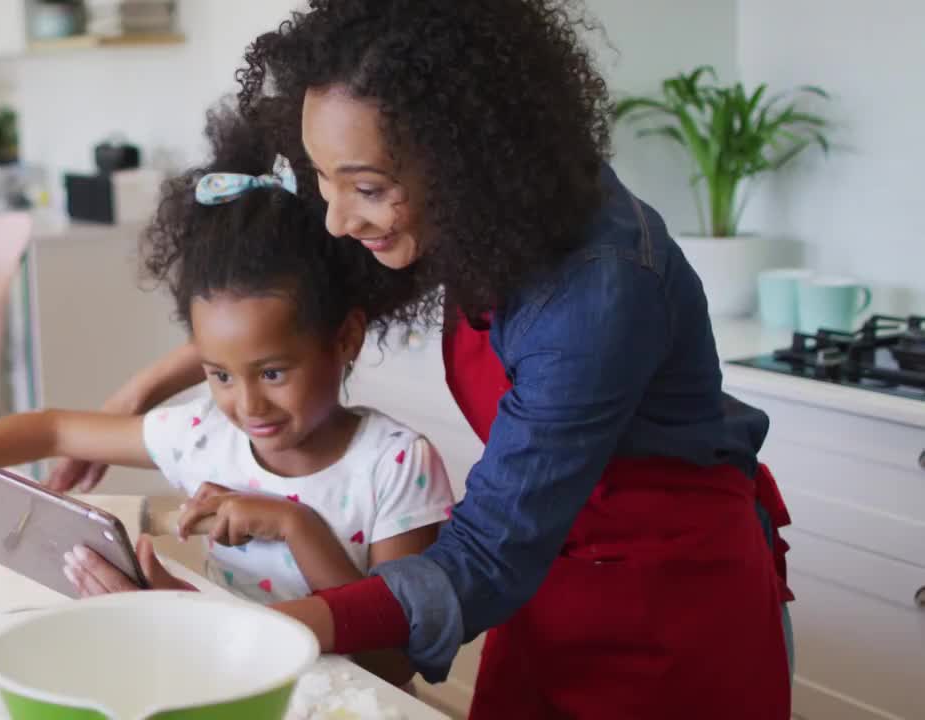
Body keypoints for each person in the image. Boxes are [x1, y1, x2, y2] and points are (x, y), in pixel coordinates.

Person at [55, 1, 796, 718]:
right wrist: (143, 390)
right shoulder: (479, 214)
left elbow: (483, 558)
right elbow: (298, 318)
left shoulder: (597, 291)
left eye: (367, 189)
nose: (339, 220)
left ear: (465, 161)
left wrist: (241, 630)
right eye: (323, 177)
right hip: (546, 578)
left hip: (664, 609)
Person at [0, 107, 455, 686]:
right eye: (220, 374)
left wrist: (296, 526)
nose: (249, 406)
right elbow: (50, 429)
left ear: (344, 338)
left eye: (274, 372)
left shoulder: (395, 466)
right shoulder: (206, 435)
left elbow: (392, 665)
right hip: (227, 686)